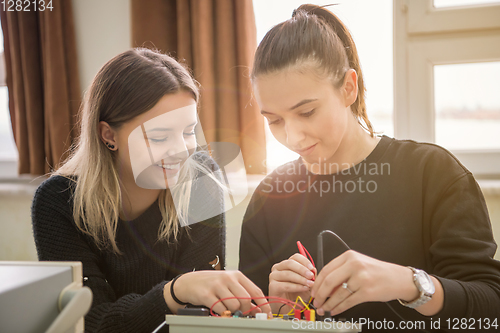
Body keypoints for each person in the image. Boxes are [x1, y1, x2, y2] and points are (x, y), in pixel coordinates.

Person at [239, 4, 500, 332]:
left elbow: (491, 309)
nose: (291, 137)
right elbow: (244, 322)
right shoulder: (270, 198)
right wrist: (278, 312)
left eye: (306, 113)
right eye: (274, 120)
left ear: (348, 88)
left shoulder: (432, 173)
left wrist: (408, 283)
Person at [31, 48, 271, 333]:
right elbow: (91, 324)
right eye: (159, 136)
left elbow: (199, 320)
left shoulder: (202, 180)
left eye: (188, 132)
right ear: (109, 135)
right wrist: (174, 293)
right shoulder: (58, 203)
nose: (182, 152)